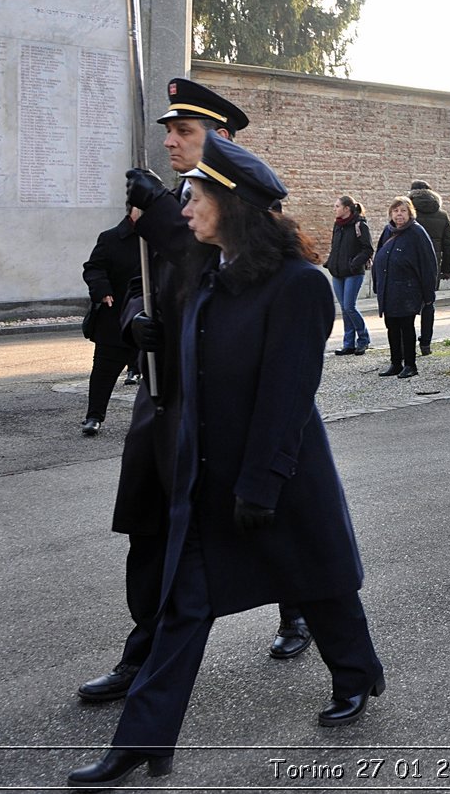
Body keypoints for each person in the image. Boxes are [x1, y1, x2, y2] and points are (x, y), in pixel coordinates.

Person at [68, 134, 385, 787]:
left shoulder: (298, 286)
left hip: (278, 476)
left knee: (320, 585)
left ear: (232, 204)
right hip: (206, 480)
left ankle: (356, 675)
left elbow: (287, 397)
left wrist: (262, 484)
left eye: (196, 196)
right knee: (183, 610)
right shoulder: (207, 275)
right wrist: (139, 330)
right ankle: (143, 740)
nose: (185, 208)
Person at [79, 78, 299, 711]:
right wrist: (133, 321)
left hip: (221, 398)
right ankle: (140, 650)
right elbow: (139, 279)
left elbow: (221, 275)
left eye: (185, 132)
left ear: (220, 141)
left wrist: (161, 219)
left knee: (264, 515)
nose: (170, 141)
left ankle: (304, 607)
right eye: (169, 131)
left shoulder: (243, 205)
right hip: (162, 392)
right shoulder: (165, 197)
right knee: (149, 523)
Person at [80, 208, 142, 436]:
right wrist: (102, 290)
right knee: (104, 370)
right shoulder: (111, 238)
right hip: (114, 315)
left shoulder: (162, 239)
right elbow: (94, 268)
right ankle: (94, 416)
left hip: (153, 318)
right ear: (131, 210)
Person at [371, 197, 439, 379]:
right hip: (388, 288)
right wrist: (377, 282)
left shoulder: (417, 232)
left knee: (406, 327)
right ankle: (395, 362)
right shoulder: (387, 231)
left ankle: (410, 364)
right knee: (391, 326)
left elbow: (428, 263)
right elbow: (379, 256)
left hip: (408, 289)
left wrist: (428, 292)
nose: (399, 214)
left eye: (402, 211)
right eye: (395, 211)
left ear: (410, 213)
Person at [407, 180, 450, 356]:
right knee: (429, 304)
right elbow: (449, 244)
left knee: (409, 306)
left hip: (410, 266)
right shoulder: (441, 215)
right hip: (432, 266)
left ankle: (408, 345)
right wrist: (446, 269)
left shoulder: (408, 214)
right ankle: (426, 344)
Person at [324, 196, 374, 356]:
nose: (335, 209)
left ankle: (363, 339)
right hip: (337, 272)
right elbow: (335, 247)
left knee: (349, 307)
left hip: (353, 273)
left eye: (337, 206)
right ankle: (348, 344)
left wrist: (353, 263)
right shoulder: (338, 225)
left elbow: (368, 249)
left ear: (347, 208)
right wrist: (331, 262)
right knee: (345, 309)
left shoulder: (360, 224)